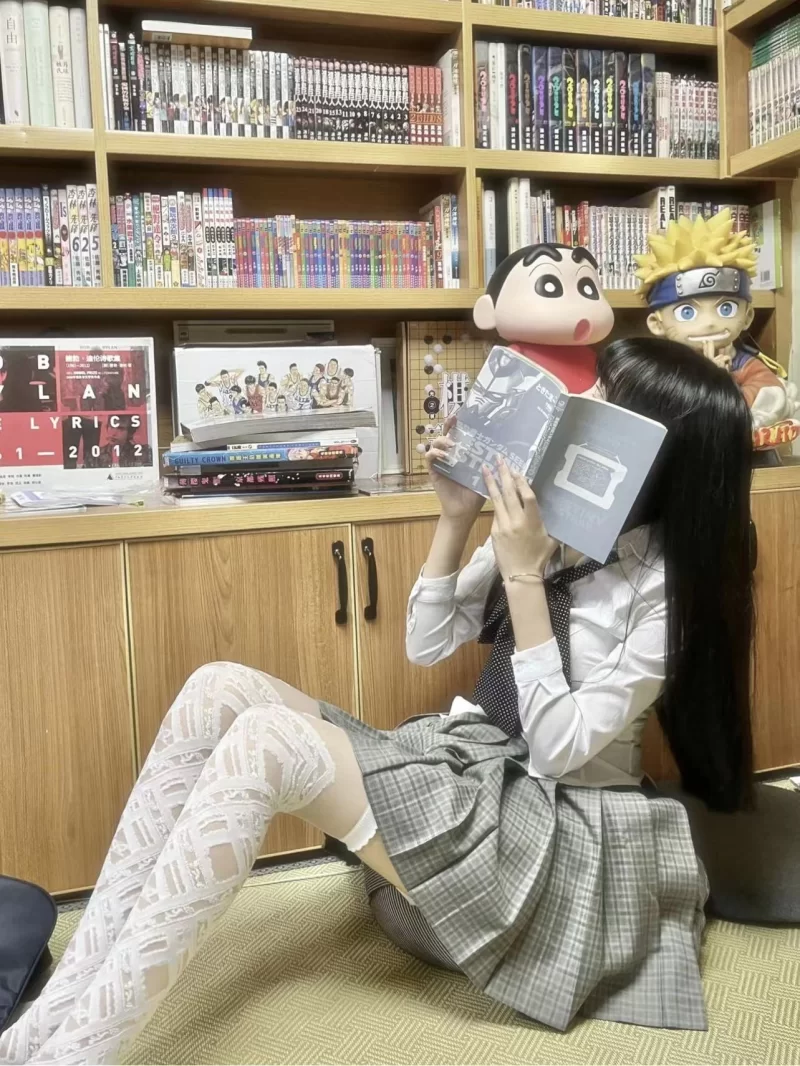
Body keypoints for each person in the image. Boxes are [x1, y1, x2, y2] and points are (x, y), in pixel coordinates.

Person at [0, 338, 755, 1065]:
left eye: (603, 406)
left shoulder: (665, 591)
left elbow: (559, 751)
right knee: (217, 686)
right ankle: (44, 1025)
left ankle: (72, 1056)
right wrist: (455, 516)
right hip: (479, 770)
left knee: (269, 742)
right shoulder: (547, 525)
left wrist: (525, 577)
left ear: (654, 456)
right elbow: (427, 643)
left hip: (557, 840)